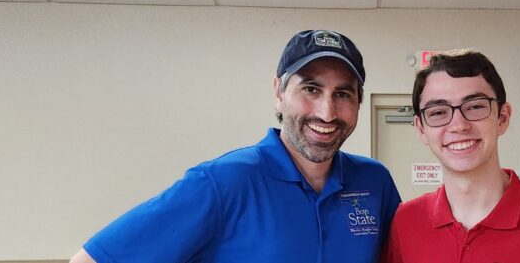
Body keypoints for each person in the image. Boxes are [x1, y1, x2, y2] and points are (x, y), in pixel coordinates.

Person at [70, 30, 401, 263]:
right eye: (311, 89)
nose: (327, 112)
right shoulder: (221, 183)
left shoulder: (373, 182)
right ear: (278, 92)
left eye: (343, 94)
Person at [382, 49, 520, 262]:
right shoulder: (405, 224)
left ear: (502, 118)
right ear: (421, 129)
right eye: (438, 112)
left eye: (475, 106)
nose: (459, 125)